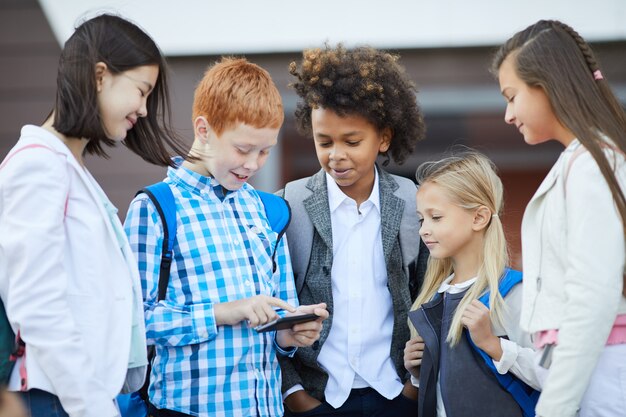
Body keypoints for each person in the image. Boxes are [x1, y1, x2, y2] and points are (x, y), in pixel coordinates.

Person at [0, 13, 187, 417]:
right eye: (141, 91)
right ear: (100, 76)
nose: (143, 108)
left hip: (73, 396)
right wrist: (93, 407)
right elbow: (37, 306)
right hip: (56, 398)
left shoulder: (67, 167)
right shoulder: (39, 166)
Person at [124, 57, 328, 417]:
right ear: (203, 130)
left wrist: (289, 336)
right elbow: (135, 325)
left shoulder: (268, 211)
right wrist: (222, 313)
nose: (253, 164)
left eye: (265, 151)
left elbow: (278, 323)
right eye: (242, 148)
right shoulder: (156, 208)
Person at [278, 44, 428, 417]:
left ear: (384, 138)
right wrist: (294, 394)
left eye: (352, 141)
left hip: (395, 394)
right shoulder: (289, 204)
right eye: (323, 142)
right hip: (317, 397)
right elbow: (270, 302)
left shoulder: (413, 202)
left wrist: (413, 387)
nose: (336, 155)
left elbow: (430, 294)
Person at [492, 20, 626, 417]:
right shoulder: (585, 162)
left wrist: (555, 407)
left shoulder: (590, 166)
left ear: (548, 84)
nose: (507, 114)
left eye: (512, 96)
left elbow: (592, 298)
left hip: (601, 375)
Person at [404, 150, 541, 417]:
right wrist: (419, 375)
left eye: (436, 217)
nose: (423, 229)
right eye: (421, 219)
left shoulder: (513, 292)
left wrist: (493, 344)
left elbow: (553, 375)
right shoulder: (433, 298)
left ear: (479, 217)